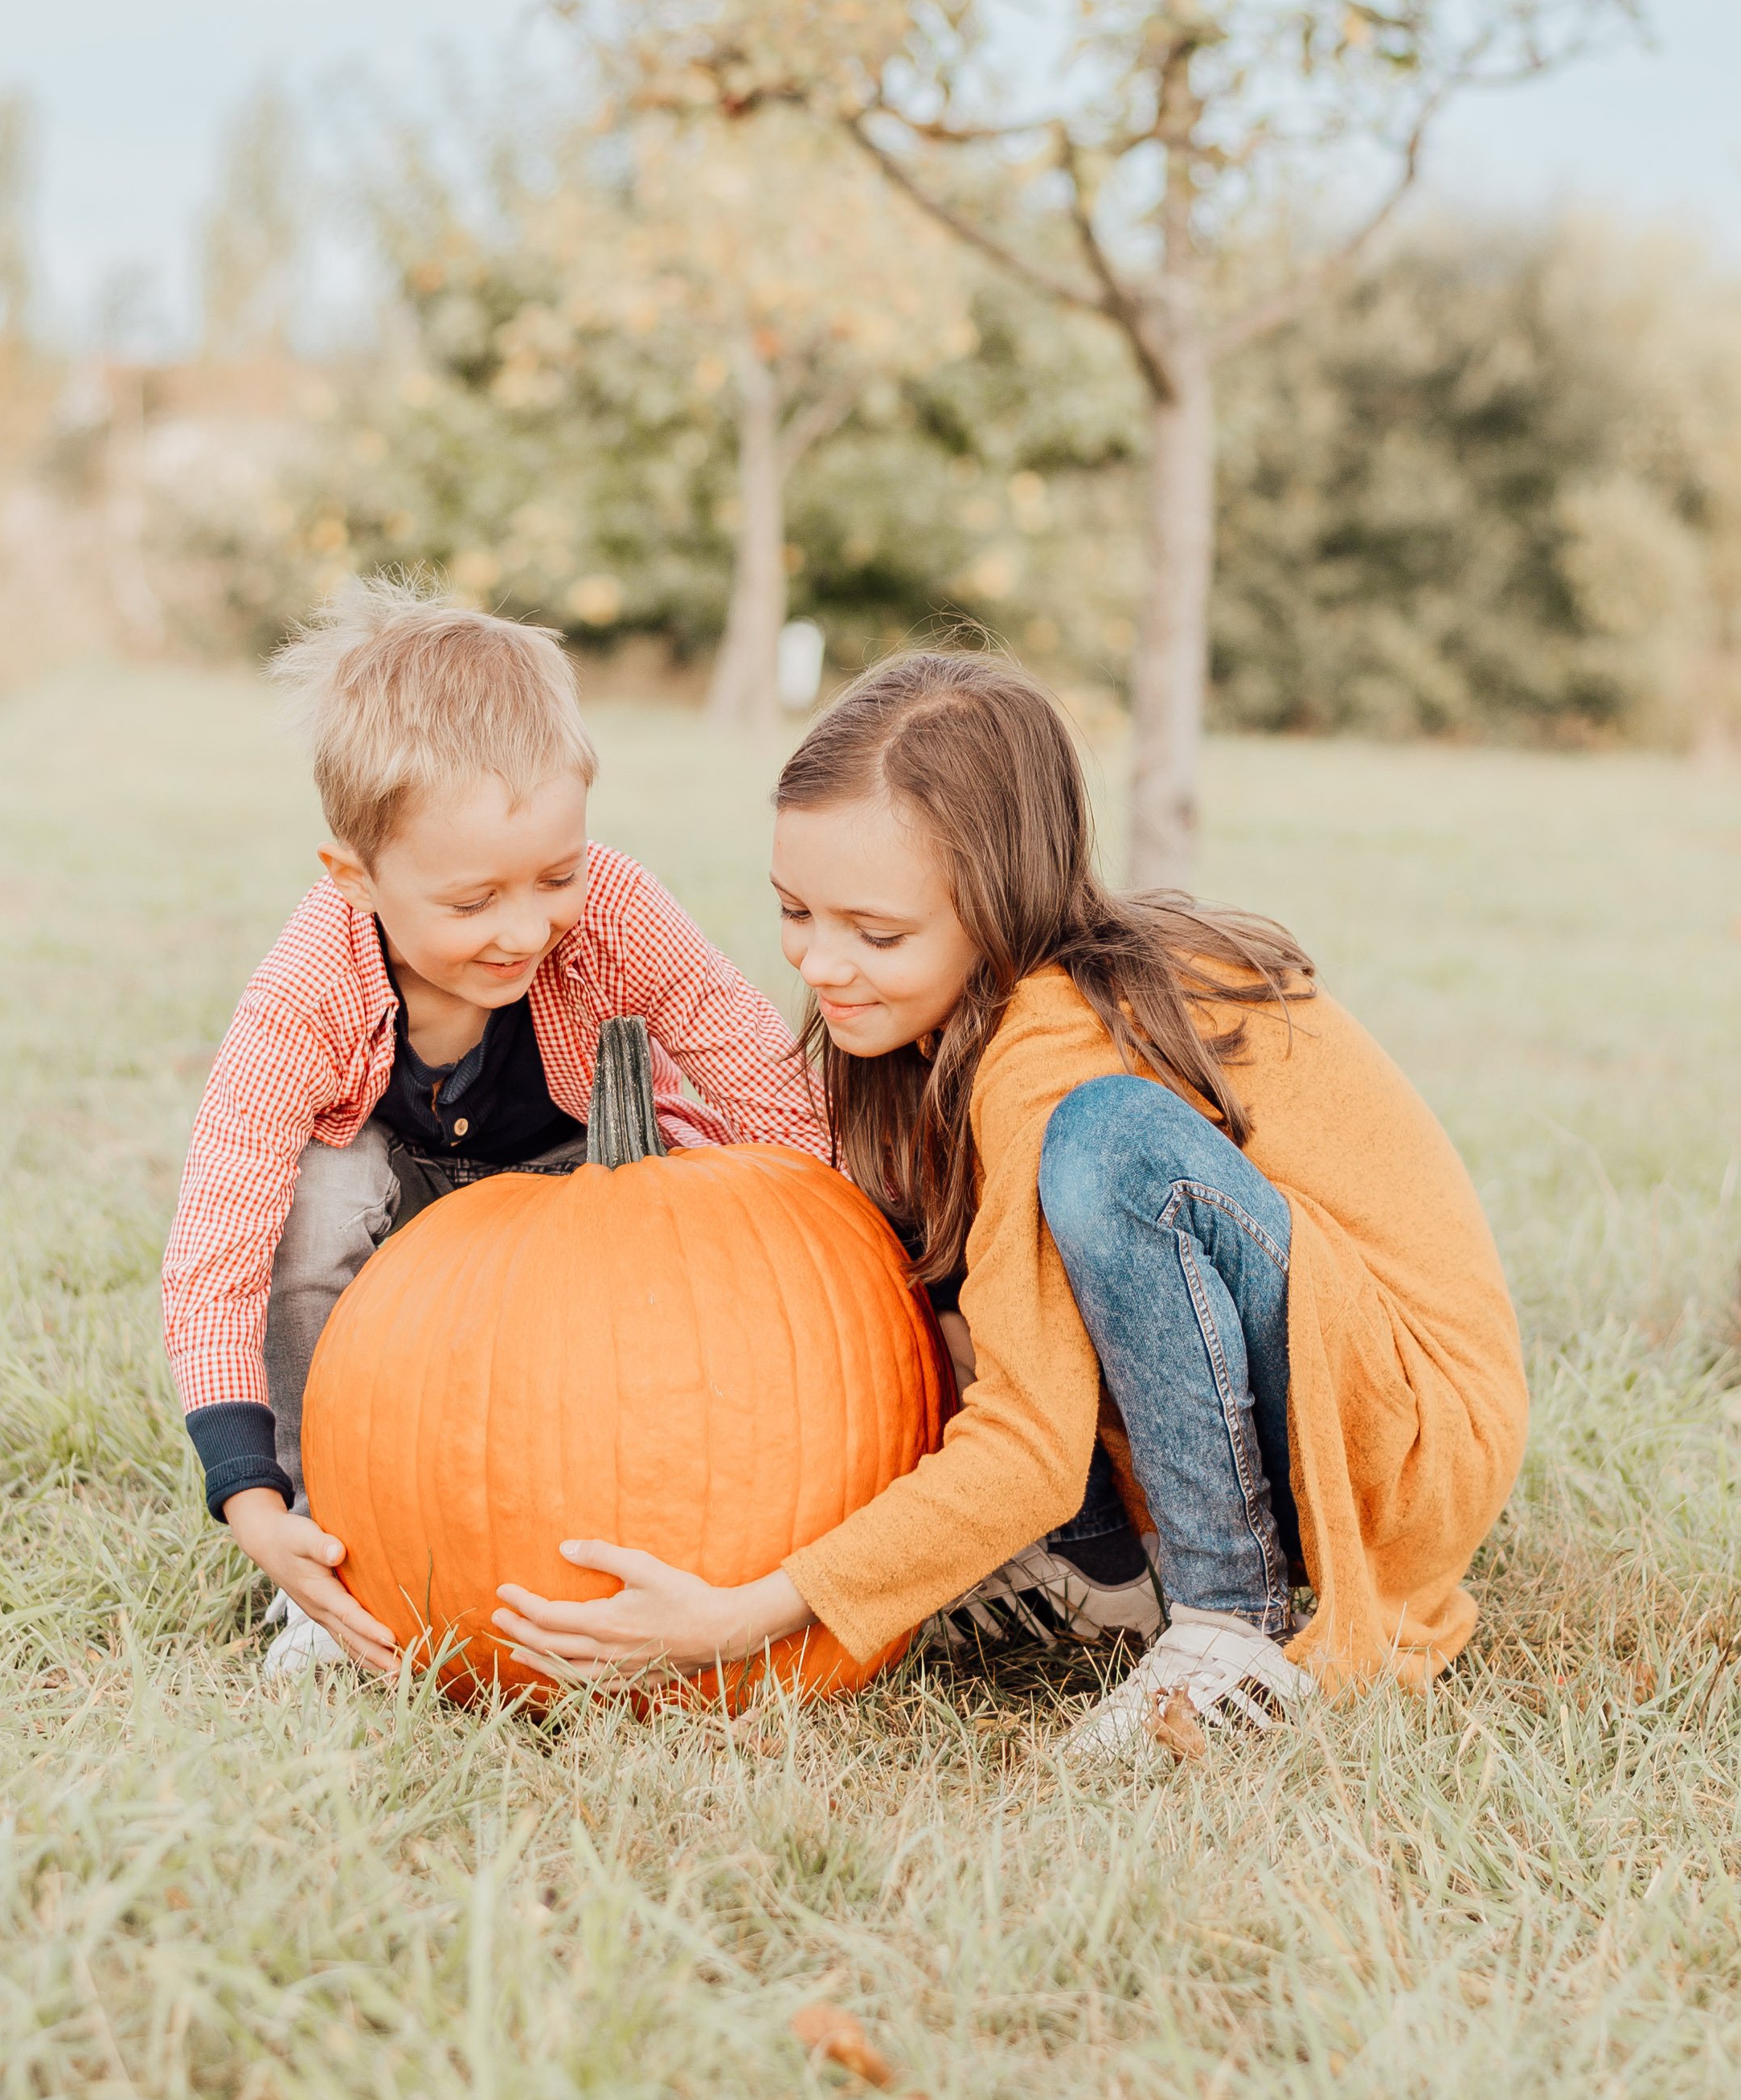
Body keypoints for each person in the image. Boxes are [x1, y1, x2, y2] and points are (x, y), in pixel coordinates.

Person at [493, 650, 1531, 1755]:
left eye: (876, 933)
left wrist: (749, 1612)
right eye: (796, 911)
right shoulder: (941, 1027)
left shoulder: (1056, 1036)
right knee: (911, 1240)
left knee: (1108, 1143)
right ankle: (1101, 1562)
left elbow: (1031, 1435)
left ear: (995, 905)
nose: (822, 963)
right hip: (1299, 1384)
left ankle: (1232, 1618)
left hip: (1401, 1437)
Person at [161, 573, 829, 1677]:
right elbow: (217, 1244)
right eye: (473, 903)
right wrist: (246, 1491)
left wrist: (845, 1232)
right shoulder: (306, 989)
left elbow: (750, 1059)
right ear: (356, 878)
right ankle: (328, 1543)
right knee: (311, 1200)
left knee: (685, 1236)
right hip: (399, 1219)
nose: (525, 929)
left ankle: (627, 1489)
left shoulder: (613, 913)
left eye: (556, 875)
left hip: (580, 1184)